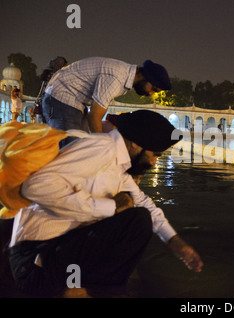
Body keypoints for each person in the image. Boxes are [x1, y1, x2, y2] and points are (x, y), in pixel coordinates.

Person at [7, 110, 203, 298]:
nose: (153, 163)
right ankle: (82, 289)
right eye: (155, 154)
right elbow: (35, 187)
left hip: (56, 252)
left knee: (138, 215)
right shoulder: (101, 149)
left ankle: (84, 286)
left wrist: (175, 242)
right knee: (136, 221)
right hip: (34, 262)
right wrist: (109, 207)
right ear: (135, 144)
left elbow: (144, 202)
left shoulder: (117, 164)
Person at [41, 57, 171, 147]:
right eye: (153, 88)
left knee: (81, 147)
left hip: (72, 101)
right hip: (62, 97)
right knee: (71, 150)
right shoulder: (117, 79)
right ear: (144, 76)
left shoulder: (123, 75)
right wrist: (103, 146)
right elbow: (95, 116)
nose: (151, 93)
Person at [32, 56, 68, 123]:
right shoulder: (60, 74)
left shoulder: (47, 75)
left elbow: (42, 90)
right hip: (55, 103)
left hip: (46, 102)